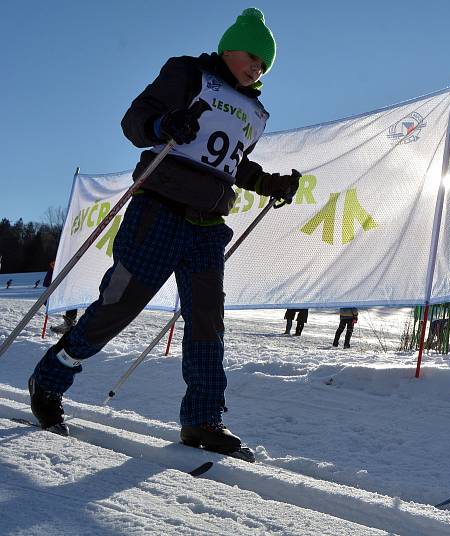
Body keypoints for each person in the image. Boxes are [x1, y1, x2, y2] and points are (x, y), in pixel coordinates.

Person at [27, 8, 299, 458]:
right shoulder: (190, 73)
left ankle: (202, 419)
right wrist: (162, 125)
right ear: (229, 47)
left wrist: (268, 183)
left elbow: (230, 162)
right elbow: (136, 119)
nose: (257, 67)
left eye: (265, 64)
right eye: (252, 56)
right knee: (120, 306)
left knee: (207, 321)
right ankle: (50, 377)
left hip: (208, 226)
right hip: (159, 210)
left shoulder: (255, 110)